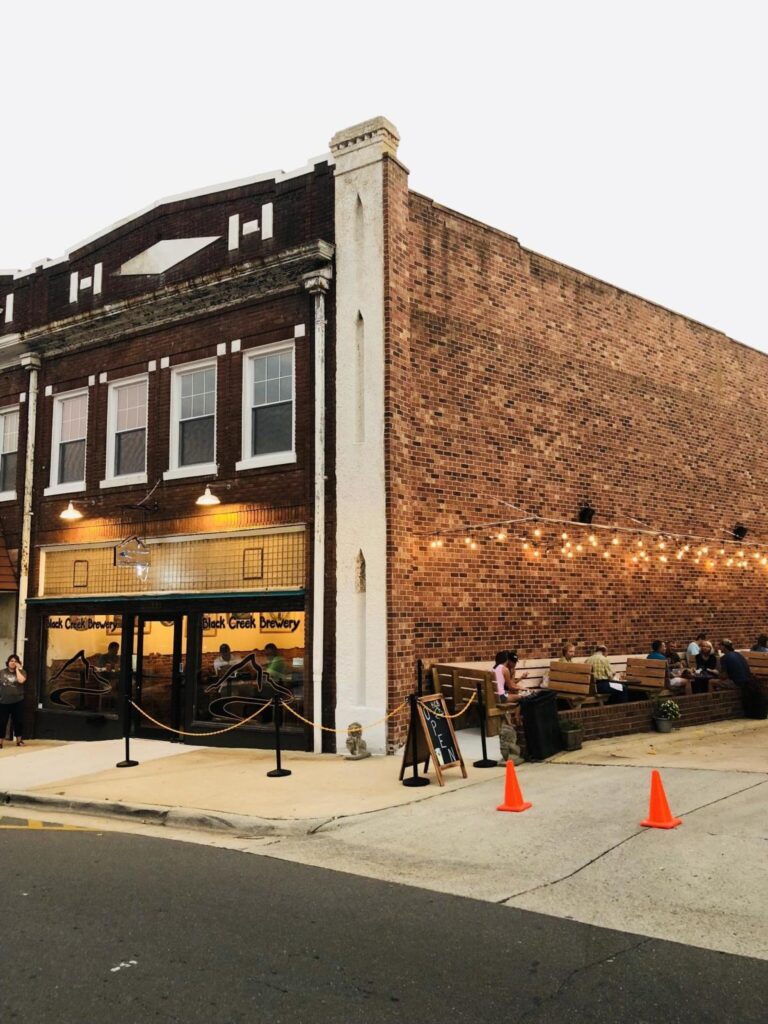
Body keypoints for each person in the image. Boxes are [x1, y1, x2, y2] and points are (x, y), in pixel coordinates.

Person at [0, 654, 27, 748]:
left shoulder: (22, 672)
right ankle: (0, 742)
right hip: (3, 702)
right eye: (11, 661)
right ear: (8, 662)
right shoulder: (2, 672)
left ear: (18, 663)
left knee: (18, 721)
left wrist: (17, 669)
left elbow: (21, 681)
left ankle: (19, 741)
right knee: (2, 722)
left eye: (15, 661)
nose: (13, 662)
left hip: (18, 701)